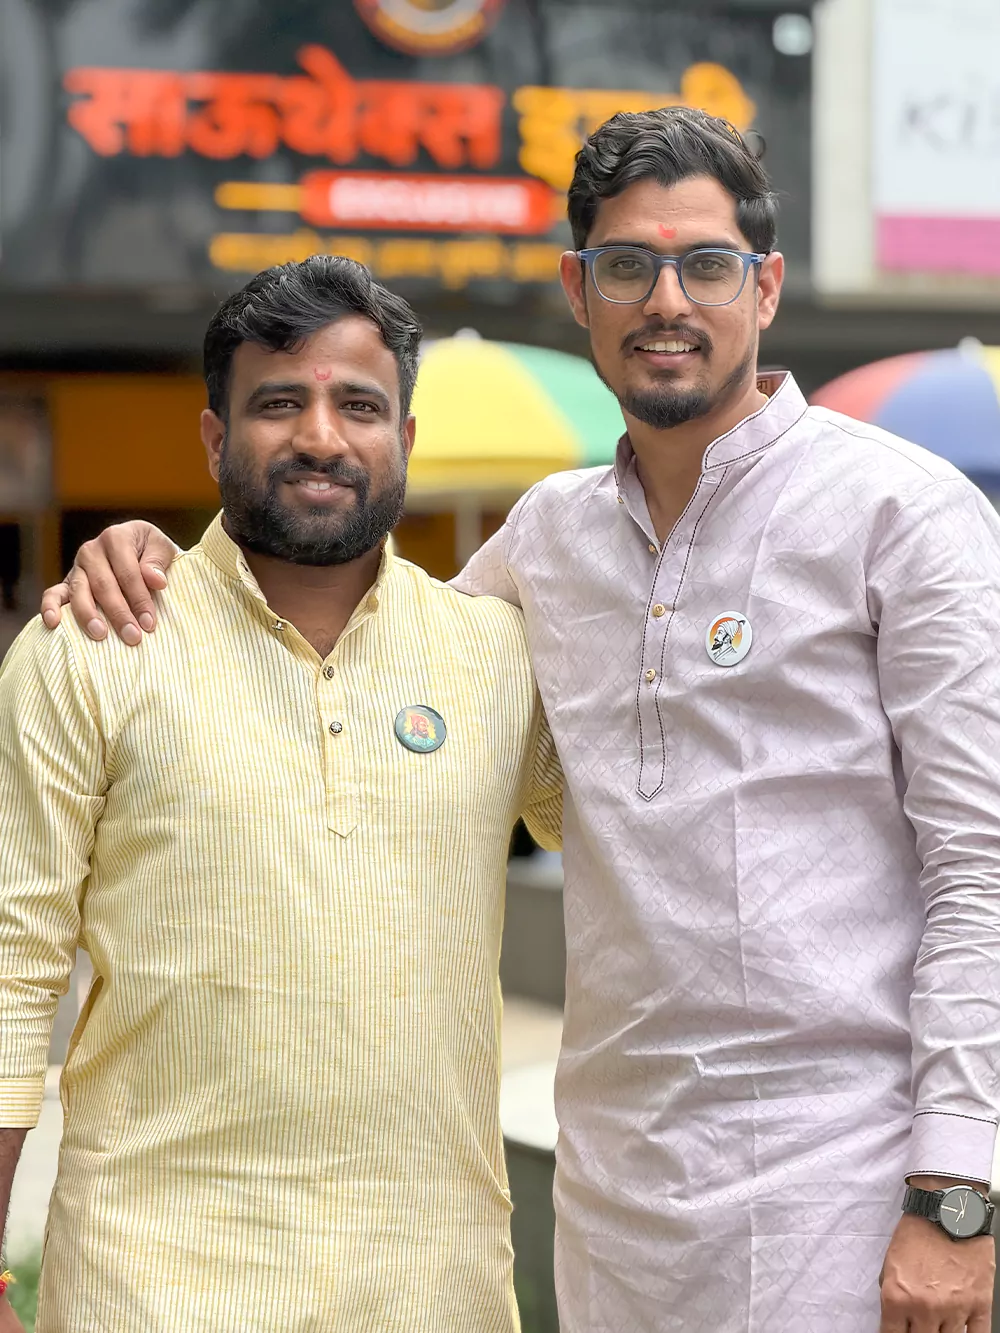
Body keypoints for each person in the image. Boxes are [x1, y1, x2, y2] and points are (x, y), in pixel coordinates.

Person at [41, 108, 1000, 1332]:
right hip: (615, 1210)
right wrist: (159, 558)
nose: (666, 300)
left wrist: (953, 1192)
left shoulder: (900, 515)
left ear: (763, 288)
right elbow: (364, 641)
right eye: (626, 265)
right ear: (578, 290)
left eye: (706, 264)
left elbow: (977, 865)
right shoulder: (547, 539)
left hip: (846, 1195)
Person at [1, 255, 562, 1333]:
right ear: (215, 438)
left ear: (406, 436)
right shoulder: (94, 647)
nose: (320, 435)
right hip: (151, 1289)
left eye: (360, 405)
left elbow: (652, 840)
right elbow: (11, 969)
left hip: (429, 1289)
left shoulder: (497, 657)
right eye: (278, 402)